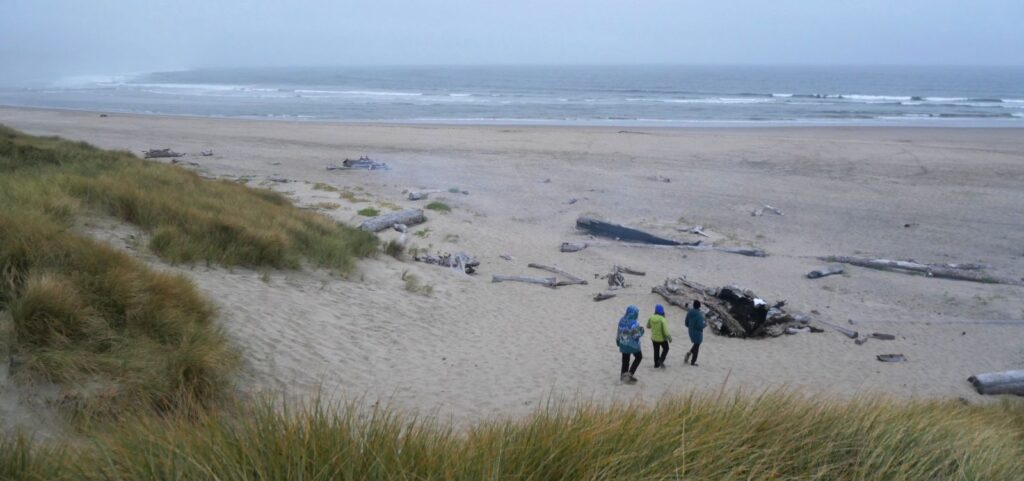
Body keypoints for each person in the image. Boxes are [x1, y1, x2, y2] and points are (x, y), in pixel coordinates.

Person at [616, 305, 644, 383]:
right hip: (633, 345)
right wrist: (642, 331)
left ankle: (622, 377)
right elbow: (636, 336)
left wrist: (617, 340)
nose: (637, 315)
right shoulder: (634, 323)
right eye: (636, 313)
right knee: (639, 357)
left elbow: (618, 331)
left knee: (625, 360)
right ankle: (630, 374)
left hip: (623, 344)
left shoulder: (621, 320)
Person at [683, 300, 706, 366]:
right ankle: (693, 362)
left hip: (690, 331)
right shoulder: (699, 315)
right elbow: (700, 326)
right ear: (699, 306)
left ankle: (689, 353)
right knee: (697, 346)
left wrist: (690, 327)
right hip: (697, 332)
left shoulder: (689, 312)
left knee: (696, 344)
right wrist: (705, 325)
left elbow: (686, 323)